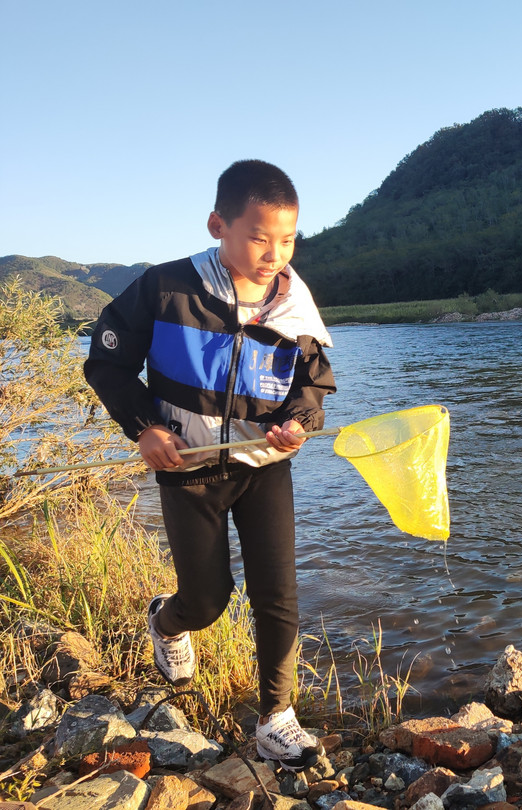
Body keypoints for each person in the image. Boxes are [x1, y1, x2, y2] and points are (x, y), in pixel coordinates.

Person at [84, 159, 336, 769]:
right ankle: (168, 623)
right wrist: (143, 428)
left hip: (262, 468)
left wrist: (298, 425)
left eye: (287, 239)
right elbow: (107, 362)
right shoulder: (166, 288)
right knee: (207, 599)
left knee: (277, 594)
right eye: (258, 236)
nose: (274, 252)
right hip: (186, 470)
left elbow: (314, 384)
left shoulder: (295, 307)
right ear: (218, 225)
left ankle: (276, 717)